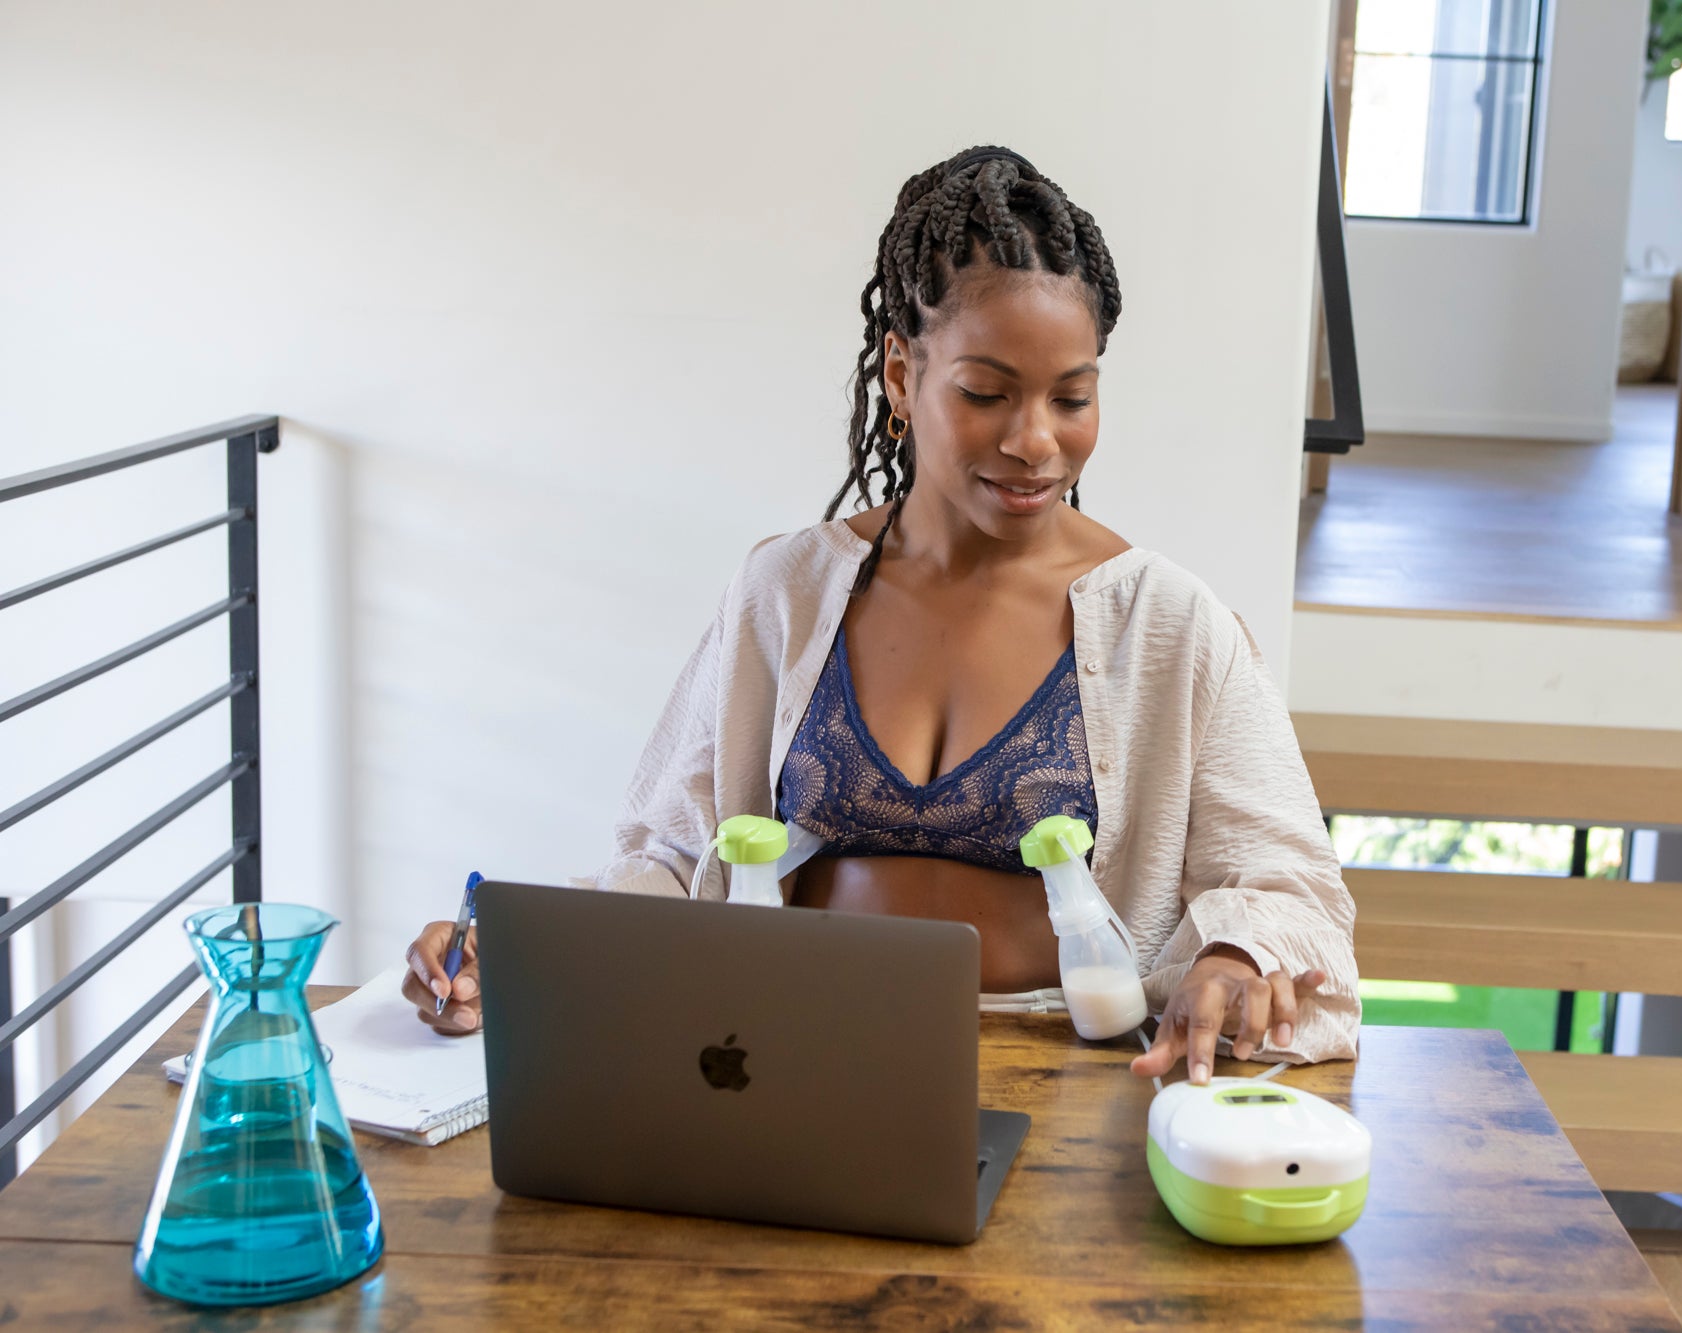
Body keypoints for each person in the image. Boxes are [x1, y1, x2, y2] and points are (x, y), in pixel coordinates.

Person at [405, 145, 1361, 1084]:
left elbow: (1297, 891)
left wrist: (1236, 958)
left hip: (1062, 1077)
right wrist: (512, 958)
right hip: (780, 1058)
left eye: (1072, 398)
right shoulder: (784, 592)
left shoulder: (1170, 623)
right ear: (902, 377)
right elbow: (668, 853)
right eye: (986, 392)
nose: (1036, 442)